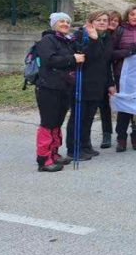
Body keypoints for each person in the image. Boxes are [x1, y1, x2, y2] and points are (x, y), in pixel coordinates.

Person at [33, 13, 85, 171]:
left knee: (57, 122)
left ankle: (54, 153)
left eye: (67, 22)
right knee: (48, 123)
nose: (65, 24)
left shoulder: (67, 41)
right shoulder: (47, 40)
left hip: (64, 86)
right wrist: (72, 59)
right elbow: (50, 60)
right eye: (61, 21)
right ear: (54, 24)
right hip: (48, 87)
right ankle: (43, 159)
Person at [65, 10, 115, 161]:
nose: (102, 22)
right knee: (78, 117)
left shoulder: (107, 38)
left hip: (97, 83)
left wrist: (110, 83)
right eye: (98, 20)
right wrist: (93, 39)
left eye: (105, 20)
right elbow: (86, 57)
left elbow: (105, 62)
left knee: (89, 117)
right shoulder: (81, 36)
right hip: (82, 82)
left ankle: (85, 145)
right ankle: (73, 148)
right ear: (91, 22)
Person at [110, 4, 136, 152]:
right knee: (124, 105)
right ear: (127, 15)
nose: (135, 17)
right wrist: (125, 52)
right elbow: (111, 52)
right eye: (132, 14)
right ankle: (121, 138)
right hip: (122, 73)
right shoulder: (120, 30)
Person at [97, 10, 121, 148]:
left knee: (111, 105)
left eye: (116, 21)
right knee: (103, 105)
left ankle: (113, 133)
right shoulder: (101, 35)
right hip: (102, 74)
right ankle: (106, 134)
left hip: (115, 72)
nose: (112, 22)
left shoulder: (120, 34)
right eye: (110, 19)